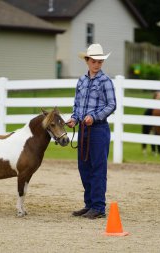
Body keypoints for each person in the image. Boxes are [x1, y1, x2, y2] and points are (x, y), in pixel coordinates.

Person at [66, 43, 116, 219]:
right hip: (83, 130)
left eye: (100, 61)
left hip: (98, 130)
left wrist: (94, 117)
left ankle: (99, 207)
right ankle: (89, 205)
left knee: (98, 168)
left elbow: (112, 105)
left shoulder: (106, 81)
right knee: (84, 167)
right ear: (87, 61)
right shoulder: (81, 81)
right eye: (94, 61)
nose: (97, 64)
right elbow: (77, 104)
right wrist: (74, 118)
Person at [142, 91, 160, 155]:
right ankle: (151, 150)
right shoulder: (152, 104)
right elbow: (147, 114)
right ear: (156, 96)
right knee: (151, 135)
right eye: (159, 95)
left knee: (159, 136)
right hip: (150, 123)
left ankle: (159, 151)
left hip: (158, 123)